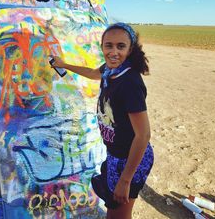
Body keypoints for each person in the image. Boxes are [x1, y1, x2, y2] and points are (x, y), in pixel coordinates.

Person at [51, 22, 154, 219]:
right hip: (116, 156)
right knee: (117, 213)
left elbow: (143, 135)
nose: (114, 52)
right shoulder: (110, 70)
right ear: (102, 46)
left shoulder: (129, 82)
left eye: (120, 46)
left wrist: (125, 181)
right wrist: (63, 65)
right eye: (109, 45)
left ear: (130, 49)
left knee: (117, 215)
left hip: (130, 160)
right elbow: (92, 73)